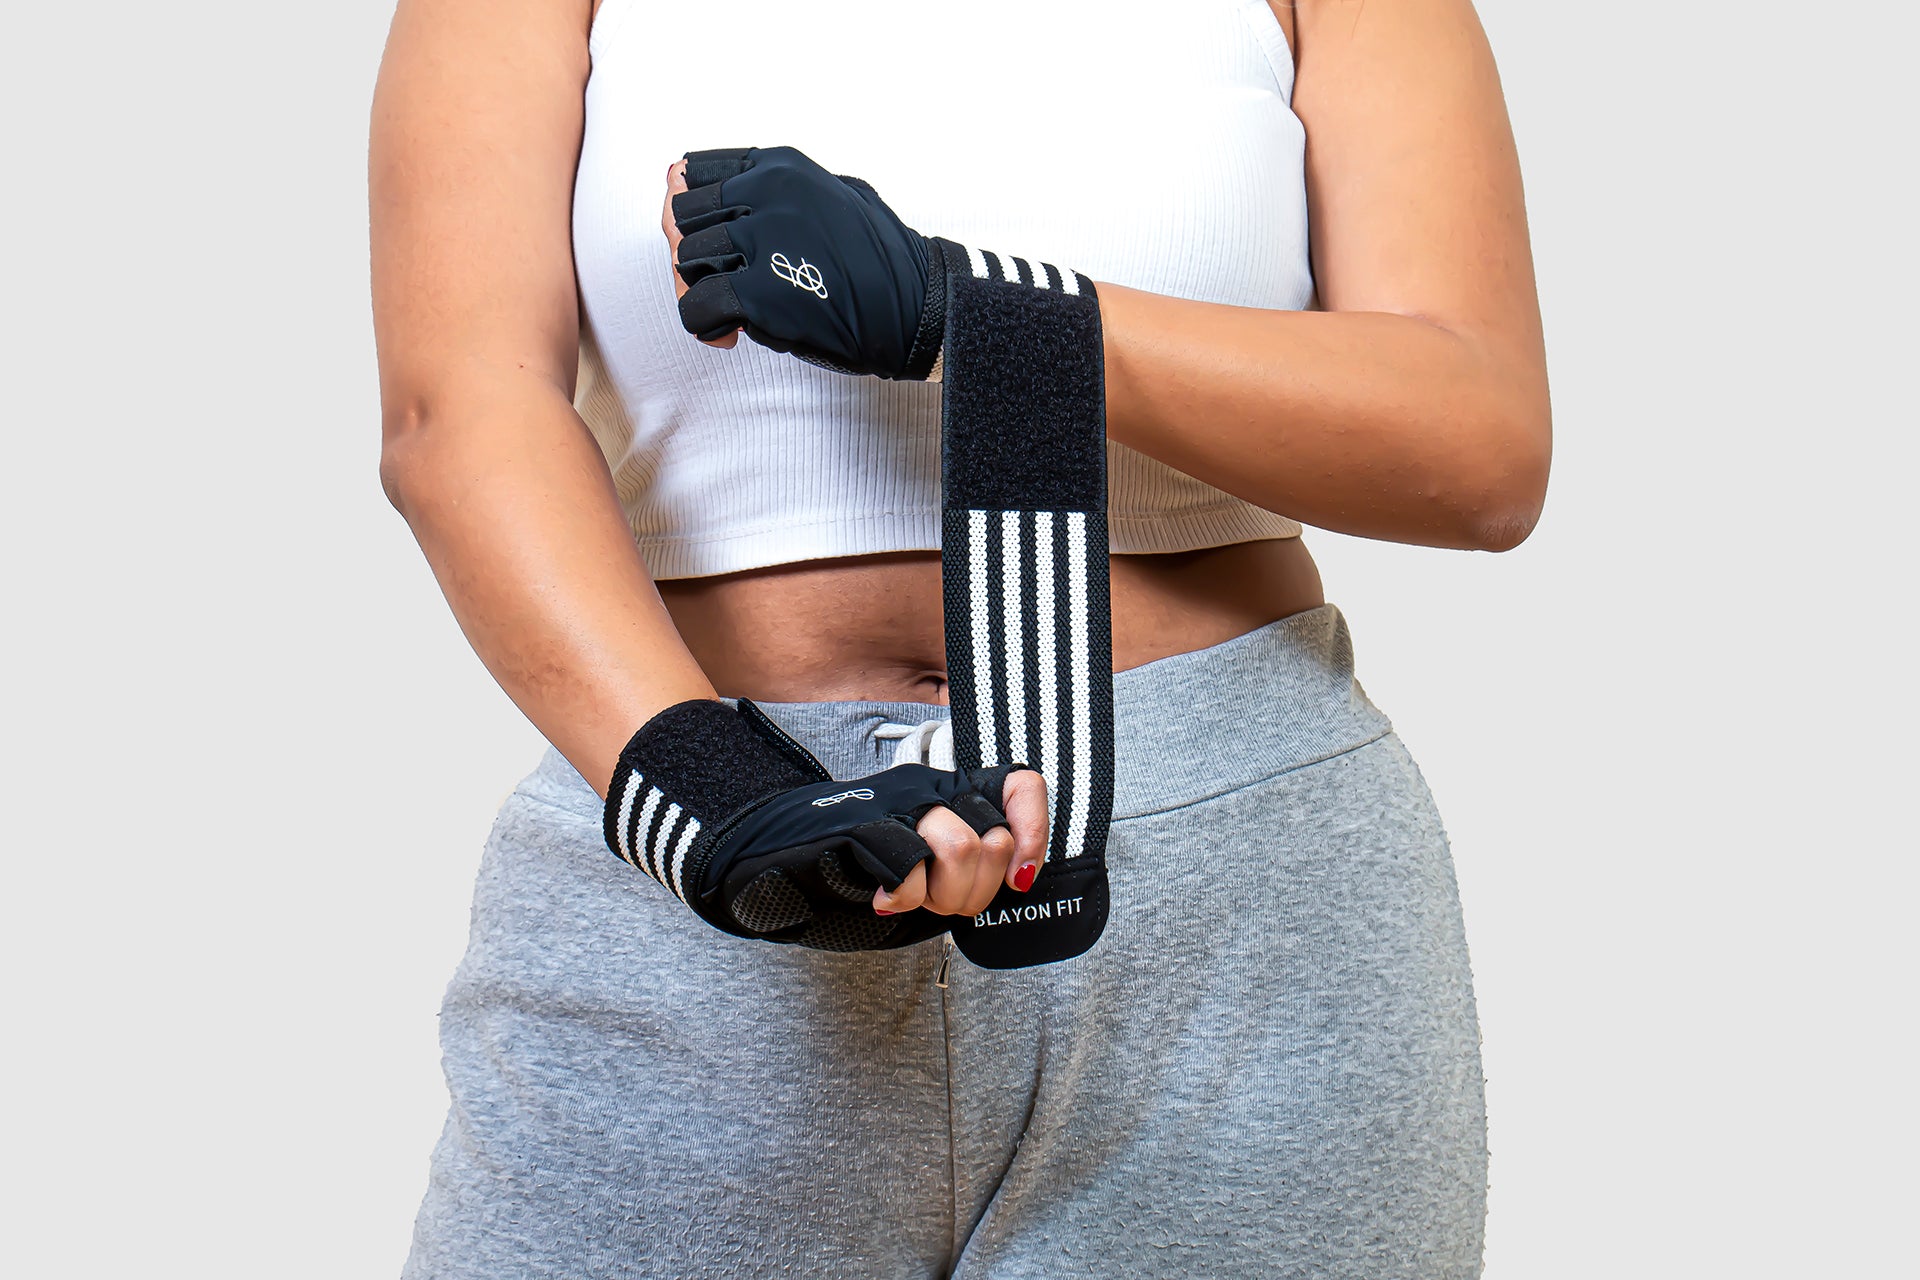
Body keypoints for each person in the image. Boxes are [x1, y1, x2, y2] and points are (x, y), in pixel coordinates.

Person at [370, 0, 1549, 1275]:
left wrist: (967, 310)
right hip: (694, 846)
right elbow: (459, 406)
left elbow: (1476, 445)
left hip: (1227, 910)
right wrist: (713, 794)